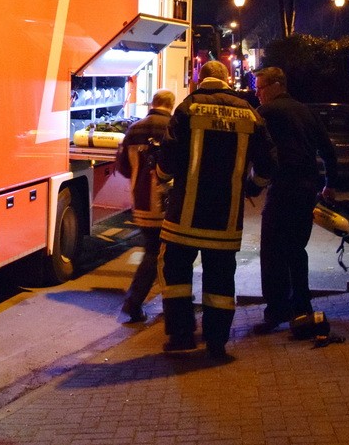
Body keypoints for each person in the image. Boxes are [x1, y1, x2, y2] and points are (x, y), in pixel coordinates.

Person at [156, 60, 277, 360]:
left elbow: (167, 158)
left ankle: (182, 336)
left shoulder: (187, 109)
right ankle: (216, 344)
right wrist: (251, 187)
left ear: (200, 78)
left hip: (184, 217)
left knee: (176, 276)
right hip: (225, 221)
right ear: (226, 80)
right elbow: (268, 165)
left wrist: (160, 175)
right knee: (220, 283)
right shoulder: (249, 114)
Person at [250, 67, 338, 334]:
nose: (257, 93)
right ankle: (302, 308)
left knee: (273, 251)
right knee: (297, 251)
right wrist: (329, 184)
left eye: (260, 88)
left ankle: (276, 311)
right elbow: (328, 150)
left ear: (276, 86)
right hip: (307, 189)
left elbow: (255, 151)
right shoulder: (305, 111)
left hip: (283, 188)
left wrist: (251, 185)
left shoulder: (266, 113)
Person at [115, 89, 176, 323]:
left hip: (140, 203)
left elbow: (122, 166)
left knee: (153, 251)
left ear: (154, 103)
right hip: (167, 204)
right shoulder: (173, 127)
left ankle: (141, 302)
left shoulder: (134, 129)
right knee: (163, 255)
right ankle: (136, 302)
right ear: (171, 105)